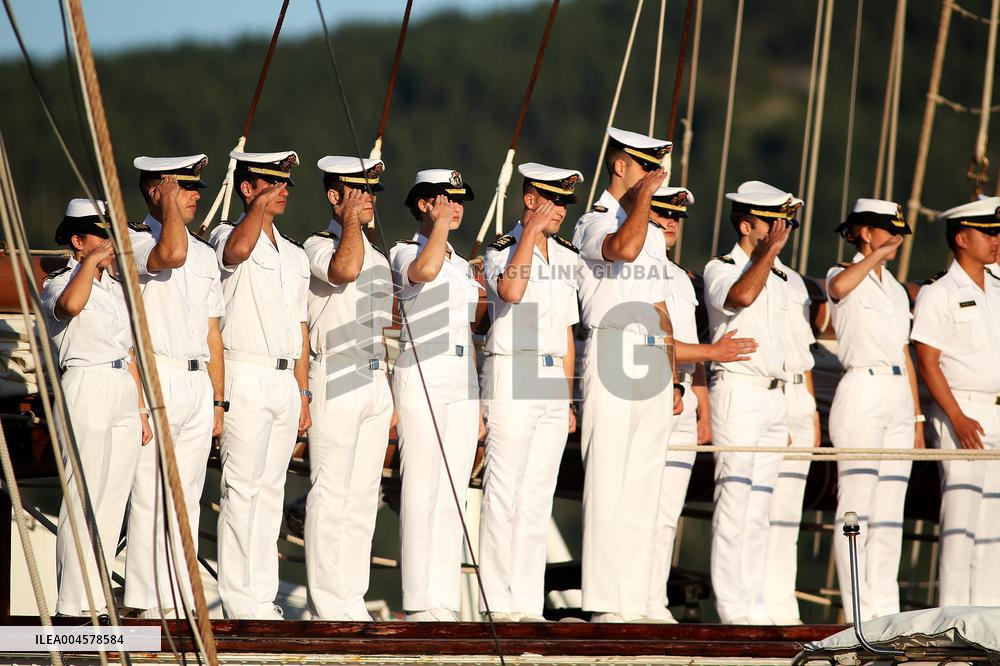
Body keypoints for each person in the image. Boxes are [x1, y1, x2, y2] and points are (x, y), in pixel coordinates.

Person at [572, 127, 682, 623]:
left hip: (651, 355)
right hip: (613, 345)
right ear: (620, 167)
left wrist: (673, 375)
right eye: (646, 168)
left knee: (644, 484)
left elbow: (661, 306)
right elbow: (624, 249)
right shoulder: (594, 220)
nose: (655, 178)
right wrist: (643, 201)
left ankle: (636, 601)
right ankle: (604, 602)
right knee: (608, 479)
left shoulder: (653, 231)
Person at [644, 185, 758, 623]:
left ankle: (653, 602)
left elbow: (689, 346)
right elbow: (654, 345)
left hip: (686, 400)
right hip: (649, 394)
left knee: (667, 513)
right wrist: (714, 353)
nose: (671, 222)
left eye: (677, 216)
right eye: (662, 213)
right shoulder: (638, 272)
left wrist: (704, 410)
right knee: (641, 507)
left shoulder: (680, 278)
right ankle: (632, 600)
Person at [208, 151, 311, 620]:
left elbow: (300, 327)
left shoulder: (293, 254)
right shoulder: (225, 235)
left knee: (270, 491)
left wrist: (303, 393)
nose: (282, 190)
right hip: (244, 371)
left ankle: (262, 596)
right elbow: (237, 252)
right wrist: (255, 209)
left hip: (284, 379)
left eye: (285, 182)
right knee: (242, 489)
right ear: (247, 189)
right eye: (271, 182)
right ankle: (238, 600)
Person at [478, 163, 583, 622]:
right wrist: (531, 235)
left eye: (564, 203)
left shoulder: (566, 256)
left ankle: (526, 603)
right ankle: (496, 603)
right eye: (552, 200)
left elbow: (567, 333)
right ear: (530, 199)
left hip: (550, 376)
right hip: (512, 366)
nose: (560, 210)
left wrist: (568, 399)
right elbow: (511, 290)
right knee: (504, 490)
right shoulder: (502, 248)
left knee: (538, 495)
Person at [123, 154, 225, 619]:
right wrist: (166, 211)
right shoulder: (134, 240)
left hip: (197, 379)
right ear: (156, 191)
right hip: (157, 373)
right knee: (150, 491)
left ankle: (178, 596)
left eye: (196, 187)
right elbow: (170, 255)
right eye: (183, 187)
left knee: (188, 494)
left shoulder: (204, 253)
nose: (195, 195)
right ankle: (146, 601)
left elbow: (212, 332)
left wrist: (218, 400)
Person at [42, 199, 151, 616]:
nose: (110, 243)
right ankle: (71, 605)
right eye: (101, 235)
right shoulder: (60, 281)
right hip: (85, 382)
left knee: (111, 501)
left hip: (121, 386)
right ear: (77, 240)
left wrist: (140, 409)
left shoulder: (117, 289)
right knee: (83, 493)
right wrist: (89, 263)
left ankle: (96, 599)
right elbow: (69, 307)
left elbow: (128, 351)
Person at [390, 168, 485, 621]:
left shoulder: (461, 265)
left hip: (460, 378)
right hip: (422, 370)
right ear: (425, 204)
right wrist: (441, 226)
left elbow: (468, 328)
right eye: (446, 200)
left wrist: (476, 398)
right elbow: (423, 272)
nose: (456, 208)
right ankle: (417, 602)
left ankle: (443, 601)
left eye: (460, 201)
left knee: (452, 492)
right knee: (420, 488)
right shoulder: (405, 251)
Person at [303, 156, 394, 621]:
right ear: (334, 197)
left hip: (374, 376)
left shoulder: (378, 256)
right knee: (330, 491)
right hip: (336, 371)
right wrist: (352, 222)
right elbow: (344, 270)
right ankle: (327, 603)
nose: (368, 200)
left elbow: (381, 325)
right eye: (357, 193)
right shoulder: (318, 244)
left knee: (361, 497)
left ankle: (351, 597)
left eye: (371, 192)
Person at [702, 180, 798, 624]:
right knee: (735, 499)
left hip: (774, 395)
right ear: (746, 226)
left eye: (784, 224)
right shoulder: (721, 267)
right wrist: (768, 253)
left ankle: (753, 602)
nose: (781, 232)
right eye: (771, 224)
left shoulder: (780, 276)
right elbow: (739, 297)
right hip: (738, 390)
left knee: (760, 506)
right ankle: (731, 607)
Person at [826, 198, 923, 622]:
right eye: (888, 231)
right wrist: (877, 256)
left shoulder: (896, 290)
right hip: (862, 389)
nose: (896, 239)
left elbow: (904, 351)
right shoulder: (842, 273)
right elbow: (838, 290)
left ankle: (886, 610)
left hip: (897, 392)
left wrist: (916, 417)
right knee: (857, 507)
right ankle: (858, 610)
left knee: (889, 511)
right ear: (865, 233)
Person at [912, 197, 1000, 607]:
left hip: (996, 410)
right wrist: (957, 417)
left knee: (992, 525)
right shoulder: (939, 292)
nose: (996, 240)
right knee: (960, 521)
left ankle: (988, 615)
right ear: (962, 239)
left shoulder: (997, 289)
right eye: (988, 233)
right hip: (962, 410)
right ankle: (953, 615)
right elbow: (927, 361)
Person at [761, 246, 820, 625]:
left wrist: (811, 409)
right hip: (773, 389)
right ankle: (758, 601)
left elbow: (804, 349)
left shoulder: (794, 282)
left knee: (788, 510)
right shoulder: (743, 274)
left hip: (800, 393)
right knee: (762, 506)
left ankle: (782, 602)